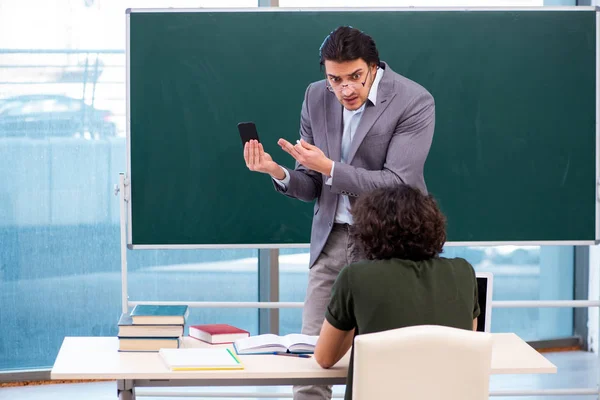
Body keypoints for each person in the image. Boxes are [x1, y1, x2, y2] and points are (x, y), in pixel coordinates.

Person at [243, 26, 435, 400]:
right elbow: (312, 184)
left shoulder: (414, 101)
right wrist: (277, 172)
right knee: (313, 363)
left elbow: (398, 183)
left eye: (354, 77)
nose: (345, 89)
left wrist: (330, 167)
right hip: (330, 243)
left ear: (374, 68)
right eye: (335, 79)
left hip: (388, 246)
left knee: (386, 364)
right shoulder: (316, 97)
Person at [313, 184, 480, 400]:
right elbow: (467, 338)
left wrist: (357, 315)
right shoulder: (463, 272)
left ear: (369, 230)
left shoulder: (356, 277)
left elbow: (325, 357)